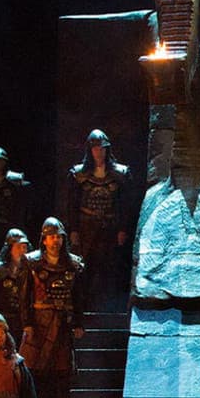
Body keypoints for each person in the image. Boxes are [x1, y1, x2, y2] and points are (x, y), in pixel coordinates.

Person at [20, 217, 86, 398]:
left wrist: (78, 322)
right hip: (40, 322)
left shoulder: (73, 264)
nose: (55, 241)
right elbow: (25, 296)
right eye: (51, 237)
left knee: (62, 369)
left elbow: (78, 296)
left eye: (58, 237)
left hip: (63, 323)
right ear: (44, 240)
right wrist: (27, 323)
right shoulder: (32, 263)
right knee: (35, 367)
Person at [65, 129, 132, 307]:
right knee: (85, 265)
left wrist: (122, 229)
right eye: (95, 149)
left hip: (110, 225)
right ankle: (84, 304)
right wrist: (74, 230)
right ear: (90, 150)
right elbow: (72, 204)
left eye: (102, 149)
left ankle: (109, 305)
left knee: (110, 265)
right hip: (86, 225)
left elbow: (125, 204)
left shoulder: (119, 173)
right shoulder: (79, 174)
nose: (99, 152)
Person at [0, 229, 32, 334]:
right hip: (1, 322)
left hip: (23, 322)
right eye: (18, 247)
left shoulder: (32, 272)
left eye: (24, 247)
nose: (22, 251)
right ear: (10, 249)